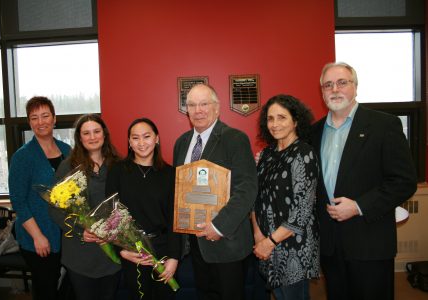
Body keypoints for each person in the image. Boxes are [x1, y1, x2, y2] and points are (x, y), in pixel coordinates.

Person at [311, 62, 417, 300]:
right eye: (328, 85)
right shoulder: (314, 132)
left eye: (342, 82)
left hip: (369, 240)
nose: (335, 89)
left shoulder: (384, 125)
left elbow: (404, 181)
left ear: (355, 87)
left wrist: (359, 206)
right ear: (322, 92)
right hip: (330, 244)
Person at [173, 83, 258, 300]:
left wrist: (218, 227)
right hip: (195, 243)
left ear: (217, 108)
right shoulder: (181, 143)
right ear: (186, 110)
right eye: (192, 105)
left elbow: (247, 189)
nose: (198, 110)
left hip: (226, 241)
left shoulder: (235, 139)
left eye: (204, 104)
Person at [251, 94, 319, 300]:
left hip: (292, 246)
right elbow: (256, 197)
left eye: (282, 117)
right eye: (270, 119)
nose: (275, 124)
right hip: (265, 242)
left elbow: (302, 210)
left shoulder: (304, 153)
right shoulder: (265, 155)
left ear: (296, 121)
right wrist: (258, 236)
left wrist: (270, 241)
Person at [106, 118, 181, 300]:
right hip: (133, 251)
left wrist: (174, 257)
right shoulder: (117, 171)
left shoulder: (171, 174)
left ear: (156, 139)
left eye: (146, 137)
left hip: (164, 249)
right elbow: (110, 214)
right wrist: (122, 251)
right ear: (129, 142)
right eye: (135, 138)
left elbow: (175, 218)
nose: (141, 143)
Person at [50, 114, 122, 300]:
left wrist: (117, 231)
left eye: (96, 131)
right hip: (80, 253)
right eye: (86, 133)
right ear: (79, 138)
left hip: (111, 251)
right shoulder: (68, 167)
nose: (92, 137)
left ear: (104, 134)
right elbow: (55, 209)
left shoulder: (119, 165)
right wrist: (79, 230)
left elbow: (128, 204)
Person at [9, 96, 71, 300]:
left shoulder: (66, 150)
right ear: (29, 122)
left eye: (45, 115)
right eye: (34, 117)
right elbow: (18, 201)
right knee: (46, 290)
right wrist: (37, 236)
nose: (40, 121)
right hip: (38, 238)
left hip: (65, 235)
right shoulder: (23, 156)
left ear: (54, 119)